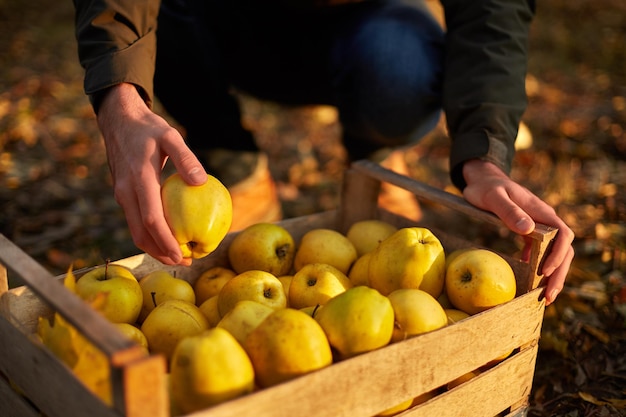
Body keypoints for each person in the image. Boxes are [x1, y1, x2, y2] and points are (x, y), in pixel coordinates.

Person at [72, 0, 574, 305]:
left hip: (360, 30)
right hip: (223, 19)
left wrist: (484, 152)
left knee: (401, 60)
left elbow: (493, 10)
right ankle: (228, 165)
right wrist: (120, 99)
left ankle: (377, 159)